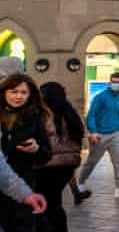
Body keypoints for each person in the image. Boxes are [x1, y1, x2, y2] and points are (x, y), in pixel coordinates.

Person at [0, 73, 52, 232]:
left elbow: (46, 155)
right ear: (4, 92)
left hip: (22, 183)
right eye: (14, 91)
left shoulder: (34, 118)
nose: (18, 96)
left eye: (24, 93)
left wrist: (36, 149)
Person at [35, 82, 84, 232]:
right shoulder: (70, 112)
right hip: (68, 165)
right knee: (55, 203)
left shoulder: (44, 114)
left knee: (47, 204)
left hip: (49, 165)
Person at [78, 72, 119, 198]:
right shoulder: (100, 97)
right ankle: (80, 182)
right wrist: (93, 132)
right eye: (114, 82)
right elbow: (91, 116)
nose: (116, 84)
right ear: (110, 82)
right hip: (100, 135)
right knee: (92, 161)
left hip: (115, 135)